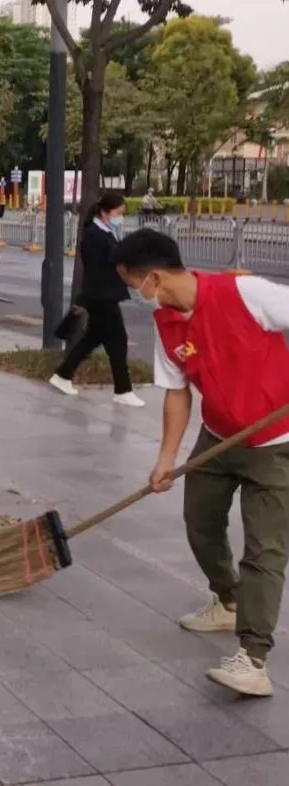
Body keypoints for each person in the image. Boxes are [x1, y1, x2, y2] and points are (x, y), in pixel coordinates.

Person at [114, 228, 289, 697]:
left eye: (134, 285)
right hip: (219, 436)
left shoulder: (244, 293)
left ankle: (254, 659)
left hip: (275, 442)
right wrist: (166, 459)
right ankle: (229, 600)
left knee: (265, 551)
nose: (136, 294)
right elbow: (177, 392)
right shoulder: (167, 323)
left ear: (154, 278)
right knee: (200, 522)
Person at [49, 193, 144, 407]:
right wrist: (83, 299)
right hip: (101, 297)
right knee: (118, 341)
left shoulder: (105, 232)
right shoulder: (94, 235)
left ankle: (63, 375)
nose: (121, 218)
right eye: (118, 213)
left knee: (92, 339)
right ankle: (123, 390)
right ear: (104, 212)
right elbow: (92, 271)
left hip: (105, 294)